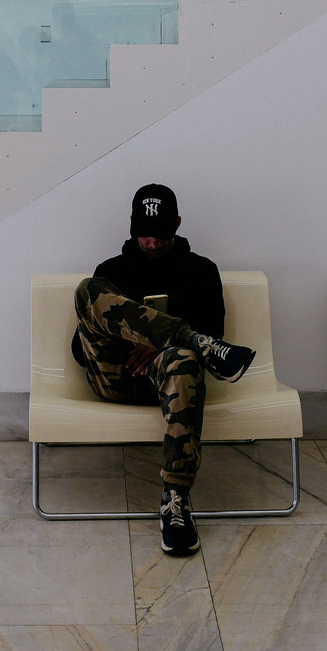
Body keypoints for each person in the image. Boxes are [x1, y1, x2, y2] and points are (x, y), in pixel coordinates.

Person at [69, 183, 256, 556]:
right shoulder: (111, 270)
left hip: (173, 383)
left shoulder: (202, 271)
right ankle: (190, 338)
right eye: (145, 234)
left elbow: (215, 331)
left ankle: (176, 499)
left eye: (162, 234)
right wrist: (138, 337)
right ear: (131, 225)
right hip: (115, 375)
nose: (152, 243)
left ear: (178, 225)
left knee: (186, 358)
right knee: (86, 289)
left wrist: (159, 347)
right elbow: (79, 350)